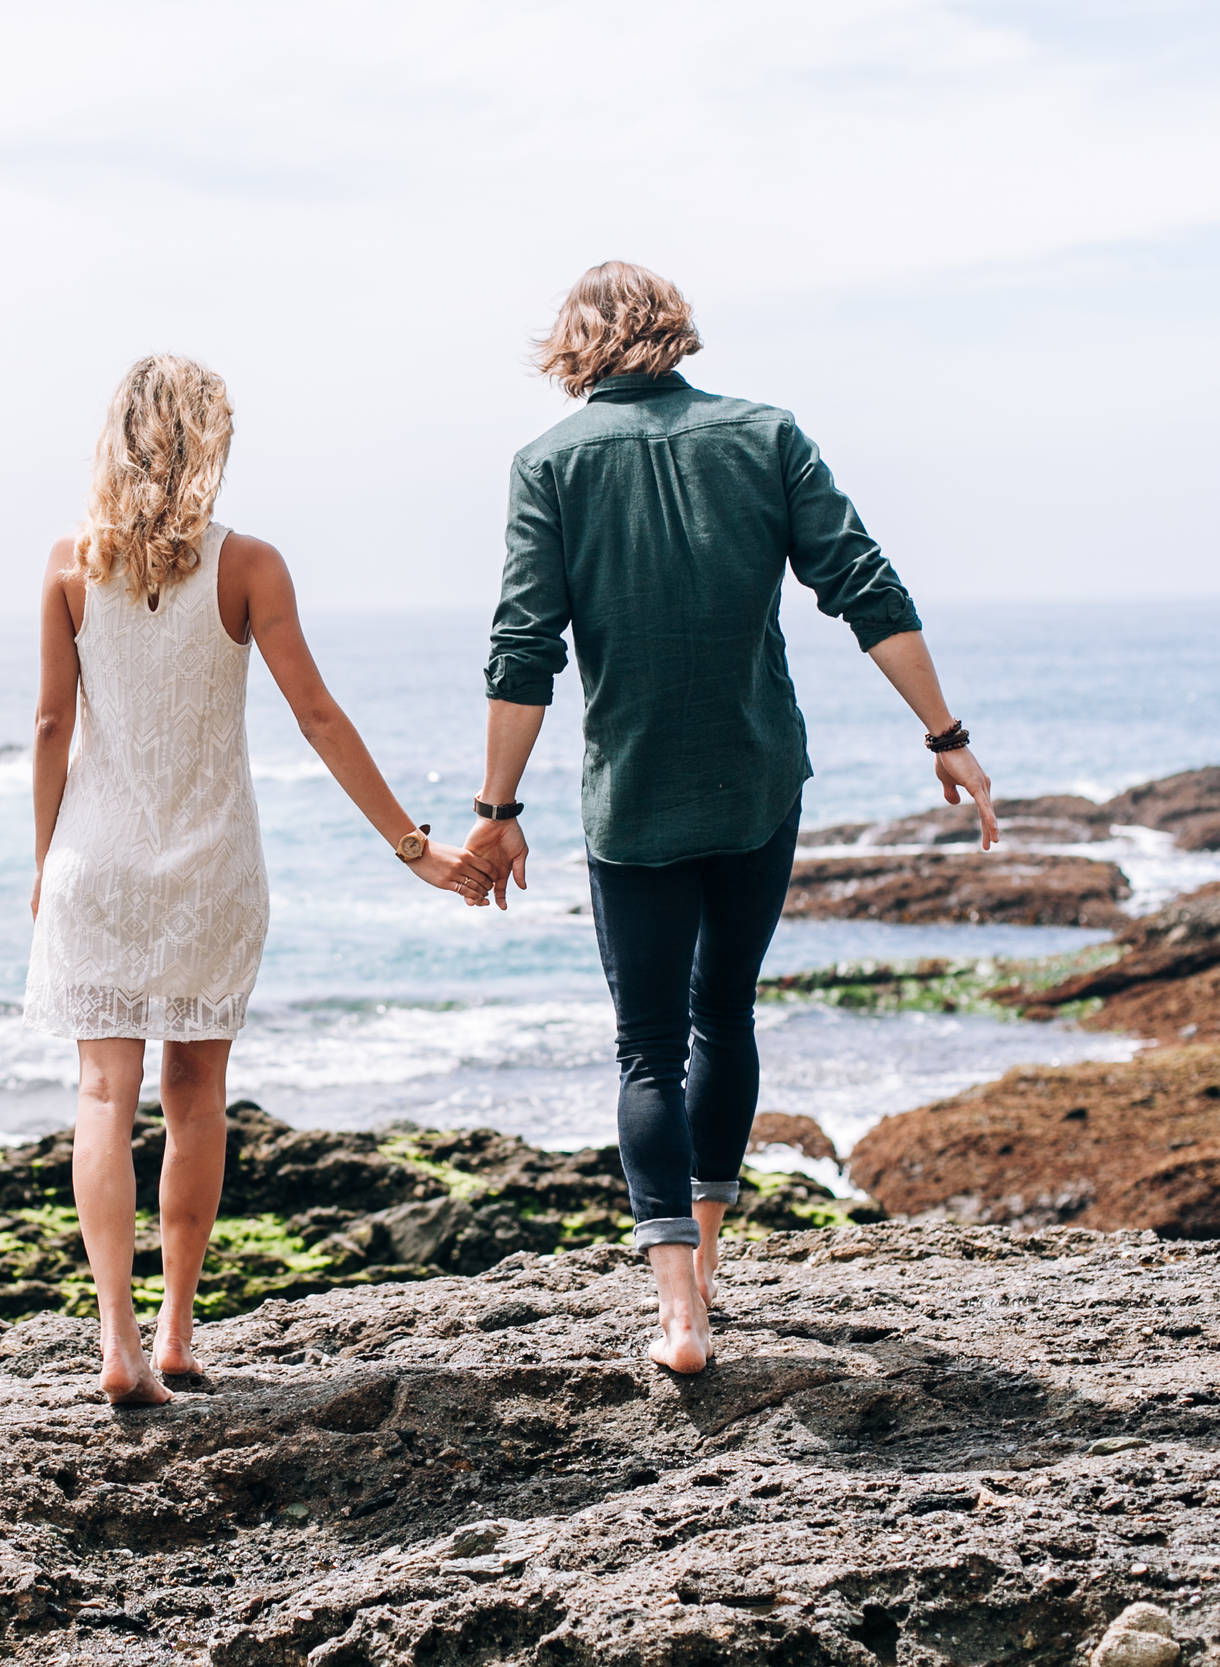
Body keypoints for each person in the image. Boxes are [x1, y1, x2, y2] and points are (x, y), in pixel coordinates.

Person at [458, 262, 995, 1376]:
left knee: (648, 1043)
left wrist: (495, 811)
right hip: (756, 780)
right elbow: (863, 583)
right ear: (674, 332)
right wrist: (944, 734)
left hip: (634, 796)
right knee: (725, 1012)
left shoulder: (549, 463)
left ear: (573, 349)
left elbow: (524, 652)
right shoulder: (763, 434)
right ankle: (704, 1263)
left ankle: (678, 1316)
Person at [26, 354, 495, 1406]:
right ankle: (180, 1331)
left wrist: (41, 860)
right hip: (210, 868)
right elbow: (317, 715)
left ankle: (116, 1343)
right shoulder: (250, 566)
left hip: (93, 861)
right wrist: (415, 848)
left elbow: (53, 725)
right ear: (208, 443)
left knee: (103, 1091)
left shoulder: (68, 563)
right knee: (195, 1096)